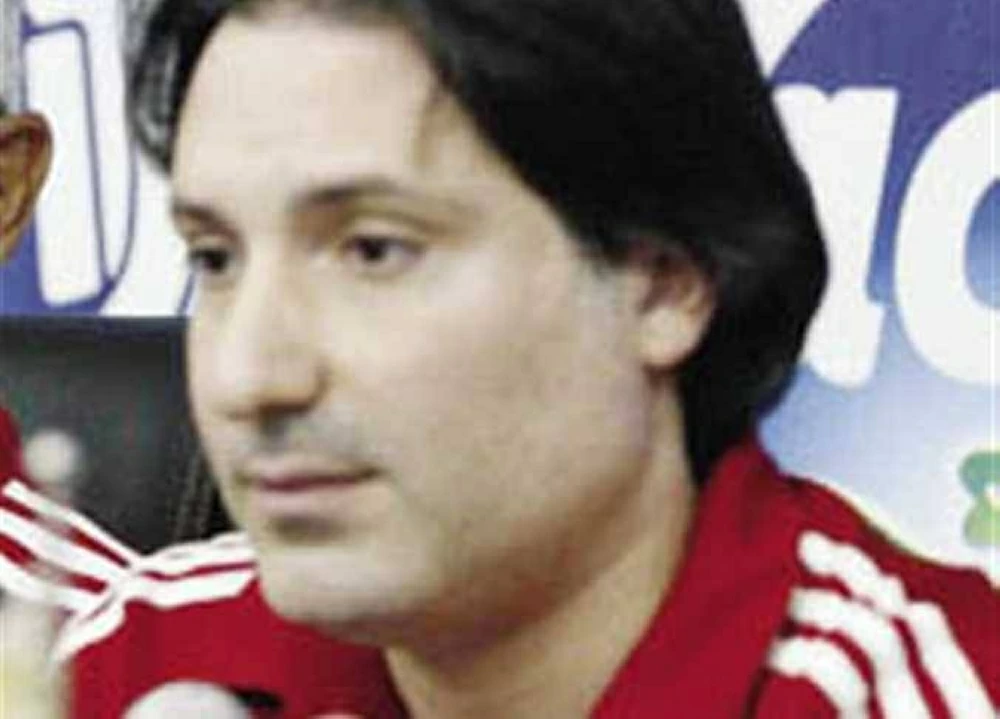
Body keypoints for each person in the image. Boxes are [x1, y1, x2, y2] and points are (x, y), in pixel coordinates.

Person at [17, 0, 1000, 716]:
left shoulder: (919, 689)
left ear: (663, 279)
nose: (249, 376)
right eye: (215, 258)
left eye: (375, 250)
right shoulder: (135, 659)